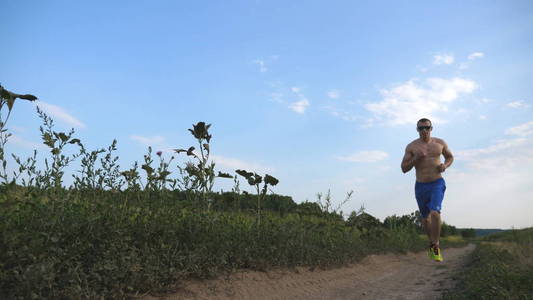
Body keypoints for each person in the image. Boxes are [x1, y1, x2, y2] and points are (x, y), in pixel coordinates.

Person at [401, 118, 454, 262]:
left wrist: (445, 165)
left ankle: (436, 246)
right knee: (425, 219)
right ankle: (431, 243)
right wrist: (416, 158)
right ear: (417, 130)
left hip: (437, 183)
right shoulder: (412, 147)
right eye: (420, 128)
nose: (424, 130)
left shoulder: (440, 143)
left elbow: (450, 157)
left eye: (426, 127)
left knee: (435, 213)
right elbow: (404, 168)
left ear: (431, 128)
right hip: (421, 186)